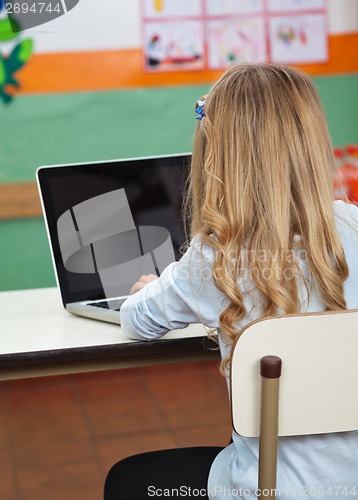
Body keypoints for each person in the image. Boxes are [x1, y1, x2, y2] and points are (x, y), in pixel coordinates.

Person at [104, 63, 358, 499]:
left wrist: (150, 290)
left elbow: (136, 321)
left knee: (127, 480)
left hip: (269, 489)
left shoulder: (215, 259)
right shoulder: (353, 224)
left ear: (217, 154)